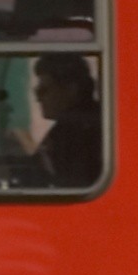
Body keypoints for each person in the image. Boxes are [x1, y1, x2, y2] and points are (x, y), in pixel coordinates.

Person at [27, 53, 102, 189]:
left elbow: (64, 180)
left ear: (71, 90)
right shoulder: (81, 121)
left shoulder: (75, 129)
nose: (39, 98)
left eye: (43, 90)